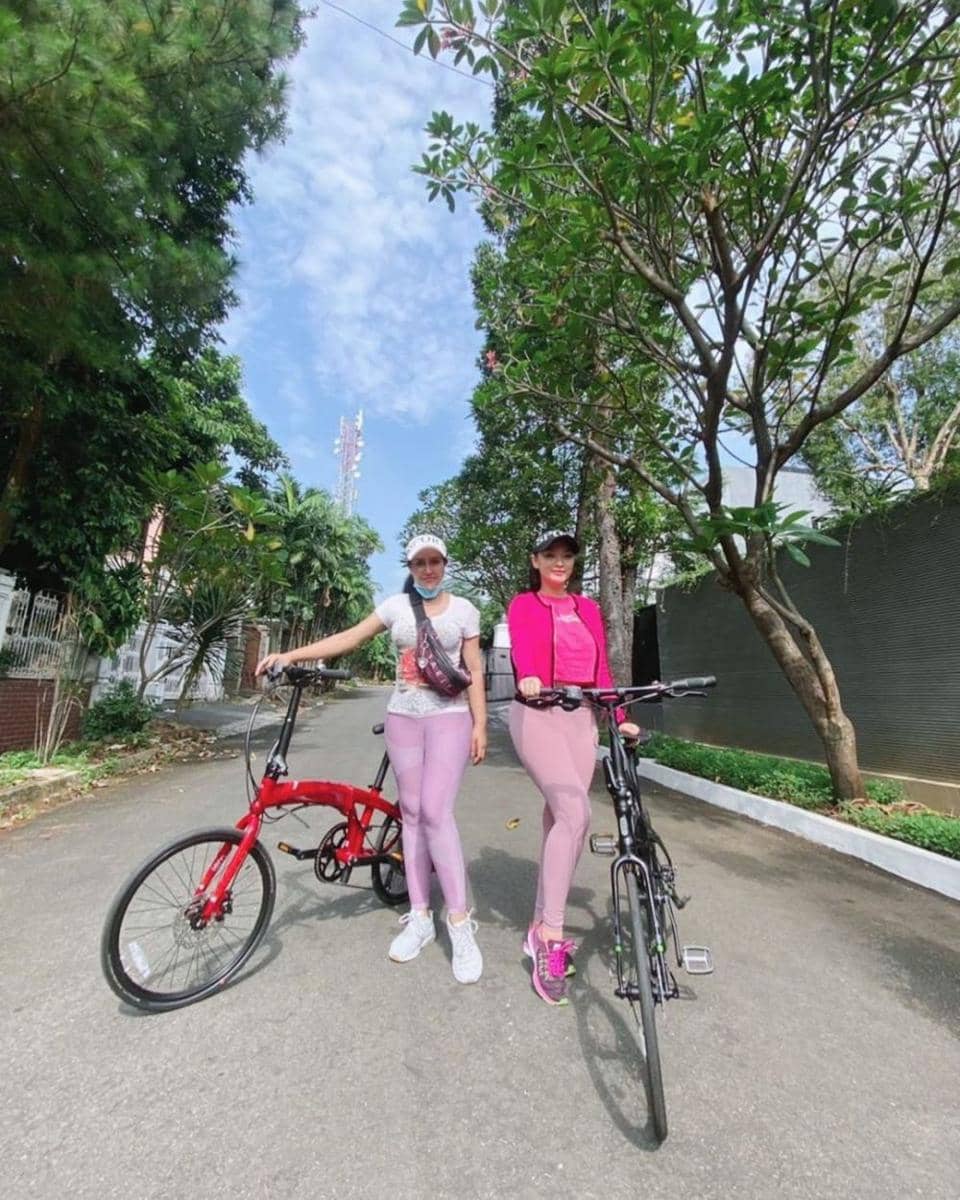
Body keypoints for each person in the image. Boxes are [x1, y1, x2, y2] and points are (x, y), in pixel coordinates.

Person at [256, 533, 487, 984]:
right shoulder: (396, 607)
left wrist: (480, 724)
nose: (428, 570)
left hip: (449, 718)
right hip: (403, 718)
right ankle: (420, 916)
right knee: (413, 814)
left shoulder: (464, 611)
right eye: (419, 563)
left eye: (435, 561)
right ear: (410, 567)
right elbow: (349, 638)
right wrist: (291, 654)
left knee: (437, 812)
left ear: (445, 564)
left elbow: (474, 669)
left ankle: (459, 923)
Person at [507, 530, 640, 1006]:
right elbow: (523, 648)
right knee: (575, 813)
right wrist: (528, 676)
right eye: (550, 555)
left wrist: (619, 718)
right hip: (538, 712)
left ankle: (538, 924)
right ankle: (551, 938)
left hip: (581, 719)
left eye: (566, 556)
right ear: (536, 561)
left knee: (562, 822)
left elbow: (602, 672)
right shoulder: (524, 604)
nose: (559, 562)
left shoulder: (588, 609)